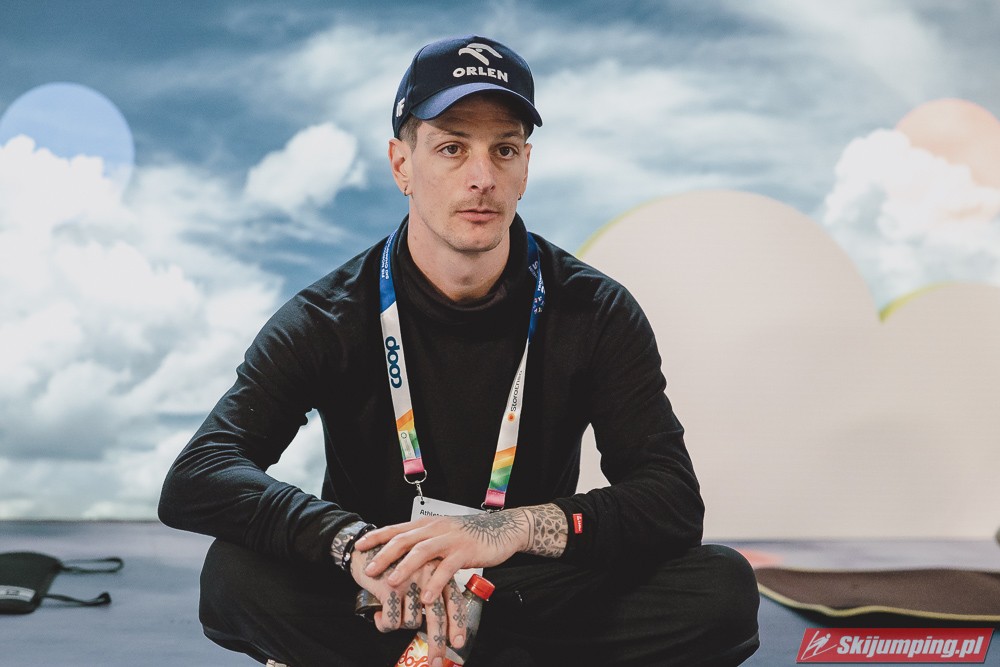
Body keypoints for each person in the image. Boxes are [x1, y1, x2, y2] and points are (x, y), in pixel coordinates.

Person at [159, 34, 760, 666]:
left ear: (525, 167)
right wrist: (351, 542)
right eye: (452, 148)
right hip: (379, 590)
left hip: (523, 588)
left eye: (504, 149)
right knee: (233, 576)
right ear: (401, 165)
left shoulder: (594, 310)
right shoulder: (328, 316)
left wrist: (507, 529)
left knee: (719, 590)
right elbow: (200, 475)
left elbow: (670, 499)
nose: (482, 178)